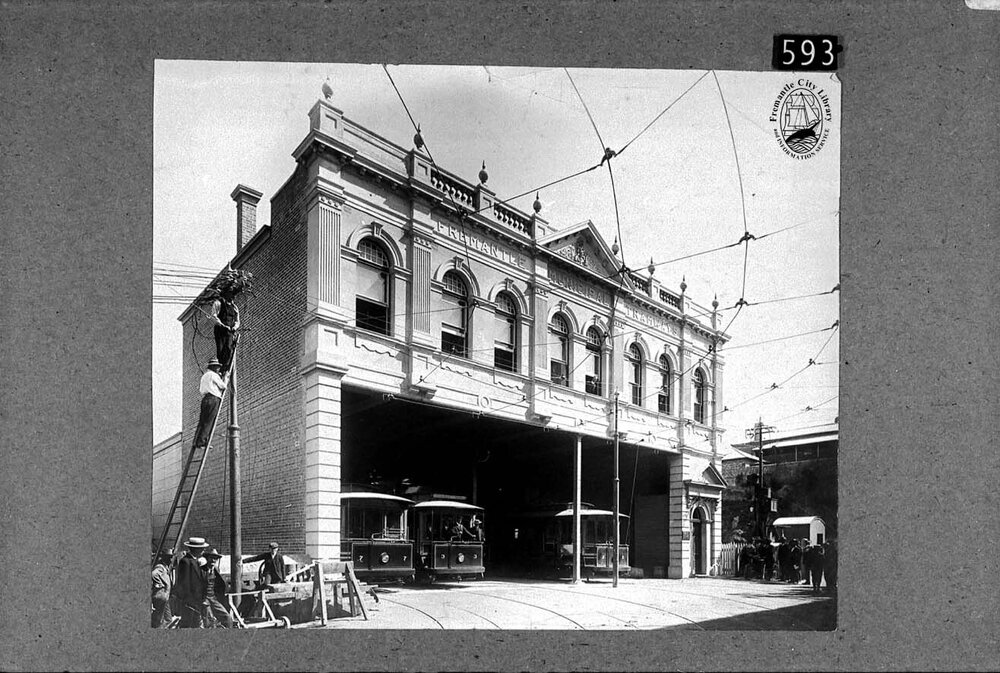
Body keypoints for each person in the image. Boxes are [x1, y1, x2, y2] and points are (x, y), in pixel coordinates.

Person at [191, 359, 230, 451]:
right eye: (217, 367)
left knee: (202, 421)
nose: (218, 369)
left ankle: (197, 441)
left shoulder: (204, 376)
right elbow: (223, 386)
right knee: (209, 421)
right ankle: (202, 442)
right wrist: (226, 378)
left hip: (205, 399)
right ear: (213, 367)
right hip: (213, 399)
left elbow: (202, 389)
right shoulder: (213, 375)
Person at [173, 536, 209, 628]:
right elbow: (184, 583)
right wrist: (189, 601)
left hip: (198, 601)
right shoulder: (185, 561)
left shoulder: (197, 561)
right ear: (195, 549)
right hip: (190, 602)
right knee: (188, 624)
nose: (204, 550)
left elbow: (203, 579)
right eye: (202, 548)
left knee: (195, 624)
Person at [201, 548, 233, 628]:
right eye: (211, 558)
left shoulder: (216, 570)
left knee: (228, 618)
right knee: (209, 622)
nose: (213, 560)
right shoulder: (201, 570)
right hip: (204, 600)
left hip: (214, 599)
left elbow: (220, 585)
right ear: (207, 558)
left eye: (215, 558)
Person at [211, 291, 240, 372]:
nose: (232, 297)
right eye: (230, 295)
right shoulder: (218, 303)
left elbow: (237, 320)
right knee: (221, 350)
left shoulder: (234, 307)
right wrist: (222, 325)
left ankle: (226, 368)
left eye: (233, 295)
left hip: (230, 331)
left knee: (229, 348)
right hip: (220, 330)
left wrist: (235, 327)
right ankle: (221, 369)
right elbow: (214, 316)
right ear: (225, 295)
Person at [151, 549, 174, 628]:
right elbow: (154, 574)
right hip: (161, 596)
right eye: (169, 557)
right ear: (165, 558)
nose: (171, 559)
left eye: (171, 557)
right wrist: (159, 584)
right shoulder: (160, 567)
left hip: (164, 597)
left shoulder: (165, 567)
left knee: (167, 619)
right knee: (160, 619)